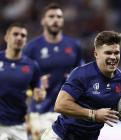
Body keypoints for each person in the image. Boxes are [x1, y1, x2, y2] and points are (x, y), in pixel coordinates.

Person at [41, 31, 121, 140]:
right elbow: (60, 105)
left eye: (116, 53)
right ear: (96, 54)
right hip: (61, 136)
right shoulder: (82, 74)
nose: (113, 57)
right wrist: (94, 114)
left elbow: (117, 112)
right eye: (108, 53)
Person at [24, 2, 83, 131]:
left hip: (67, 113)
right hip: (40, 114)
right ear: (42, 20)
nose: (55, 20)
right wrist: (35, 85)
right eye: (51, 16)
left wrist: (75, 79)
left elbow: (83, 76)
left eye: (59, 17)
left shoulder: (74, 45)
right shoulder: (32, 48)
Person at [0, 23, 45, 140]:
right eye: (15, 34)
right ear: (6, 37)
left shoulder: (32, 66)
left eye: (23, 35)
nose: (19, 38)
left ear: (25, 40)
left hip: (19, 125)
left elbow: (37, 93)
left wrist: (40, 95)